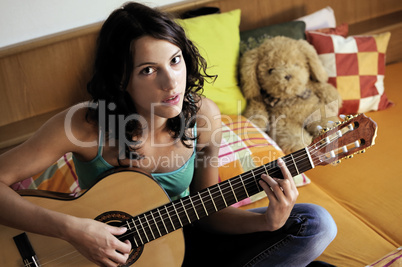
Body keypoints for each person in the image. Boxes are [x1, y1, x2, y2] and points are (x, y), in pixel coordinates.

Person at [0, 2, 337, 266]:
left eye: (175, 60)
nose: (171, 82)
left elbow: (209, 213)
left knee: (316, 223)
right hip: (104, 256)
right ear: (121, 79)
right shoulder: (84, 125)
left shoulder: (203, 116)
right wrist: (73, 230)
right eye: (149, 70)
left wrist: (267, 221)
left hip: (183, 241)